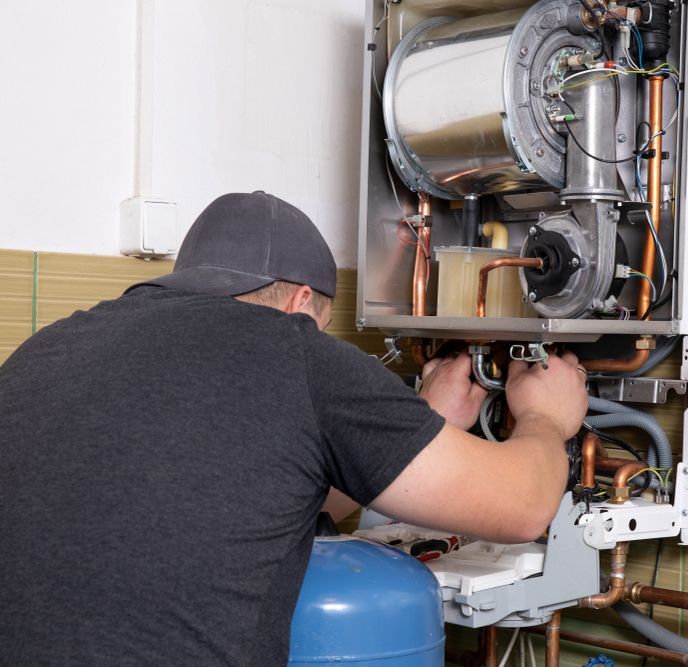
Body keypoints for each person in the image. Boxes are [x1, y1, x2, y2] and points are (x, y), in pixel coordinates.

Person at [0, 191, 588, 666]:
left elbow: (263, 479)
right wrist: (546, 414)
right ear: (301, 301)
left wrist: (425, 423)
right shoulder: (292, 352)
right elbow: (522, 508)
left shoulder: (45, 348)